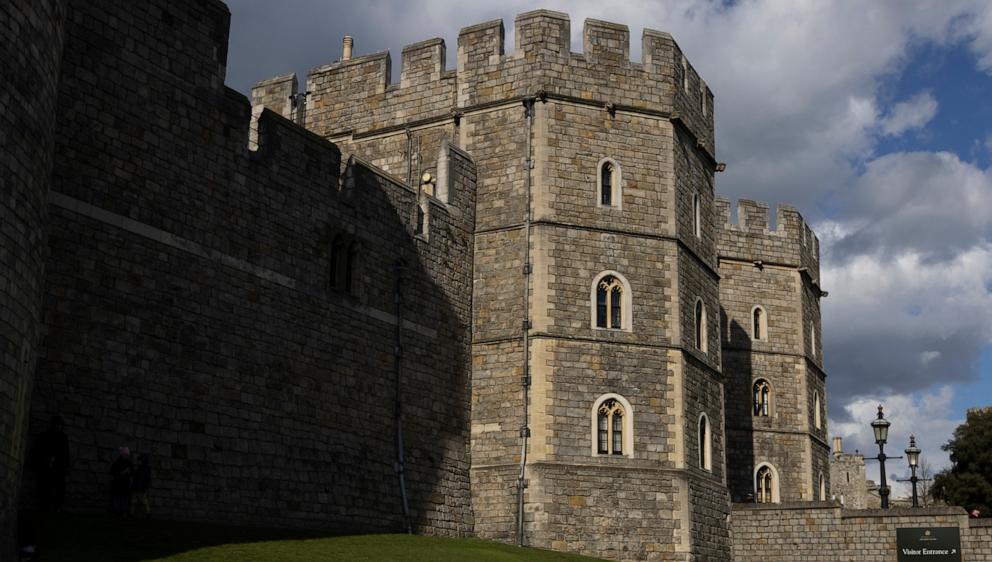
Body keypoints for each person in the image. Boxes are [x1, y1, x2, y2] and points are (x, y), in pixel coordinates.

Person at [36, 415, 70, 512]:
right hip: (48, 466)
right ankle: (45, 506)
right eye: (56, 425)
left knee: (60, 487)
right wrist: (47, 459)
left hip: (59, 466)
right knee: (46, 486)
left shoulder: (63, 437)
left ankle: (57, 506)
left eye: (59, 425)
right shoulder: (45, 436)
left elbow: (66, 452)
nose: (58, 427)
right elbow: (41, 449)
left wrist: (65, 465)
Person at [109, 447, 134, 516]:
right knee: (117, 497)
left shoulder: (129, 463)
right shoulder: (117, 462)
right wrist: (122, 473)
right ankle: (116, 511)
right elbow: (112, 472)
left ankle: (123, 511)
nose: (126, 456)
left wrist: (128, 472)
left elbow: (132, 472)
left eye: (127, 454)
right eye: (125, 454)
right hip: (118, 483)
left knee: (124, 498)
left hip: (125, 483)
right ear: (122, 454)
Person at [130, 454, 152, 518]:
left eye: (139, 461)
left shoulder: (145, 469)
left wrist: (145, 487)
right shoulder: (139, 469)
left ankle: (148, 513)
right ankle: (132, 513)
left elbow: (147, 479)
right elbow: (135, 478)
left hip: (141, 488)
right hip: (137, 487)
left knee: (144, 501)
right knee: (133, 501)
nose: (138, 462)